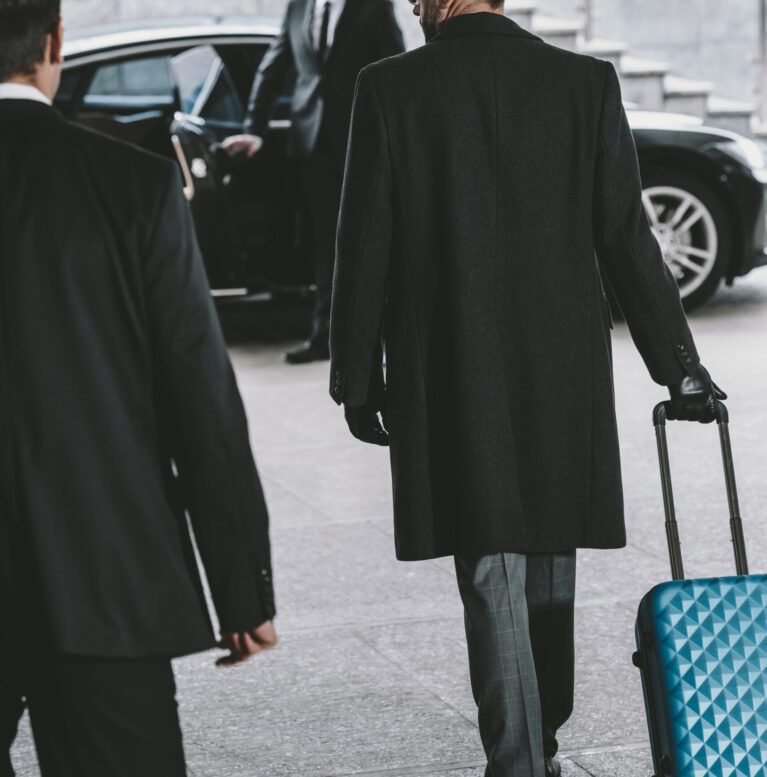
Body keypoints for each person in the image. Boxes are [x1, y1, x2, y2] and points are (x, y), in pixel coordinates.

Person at [328, 0, 725, 775]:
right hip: (560, 362)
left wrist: (357, 377)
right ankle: (538, 736)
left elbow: (365, 238)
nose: (409, 6)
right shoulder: (583, 82)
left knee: (489, 562)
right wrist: (677, 365)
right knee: (548, 547)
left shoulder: (390, 87)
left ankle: (517, 757)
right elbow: (625, 235)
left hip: (452, 358)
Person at [0, 2, 277, 775]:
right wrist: (240, 590)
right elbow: (201, 401)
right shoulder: (134, 184)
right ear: (55, 42)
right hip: (103, 577)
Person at [223, 0, 405, 364]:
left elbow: (396, 71)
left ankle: (386, 340)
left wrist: (397, 139)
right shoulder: (298, 6)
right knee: (326, 245)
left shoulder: (374, 6)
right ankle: (326, 338)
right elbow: (273, 67)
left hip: (363, 142)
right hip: (313, 145)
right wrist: (254, 130)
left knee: (372, 243)